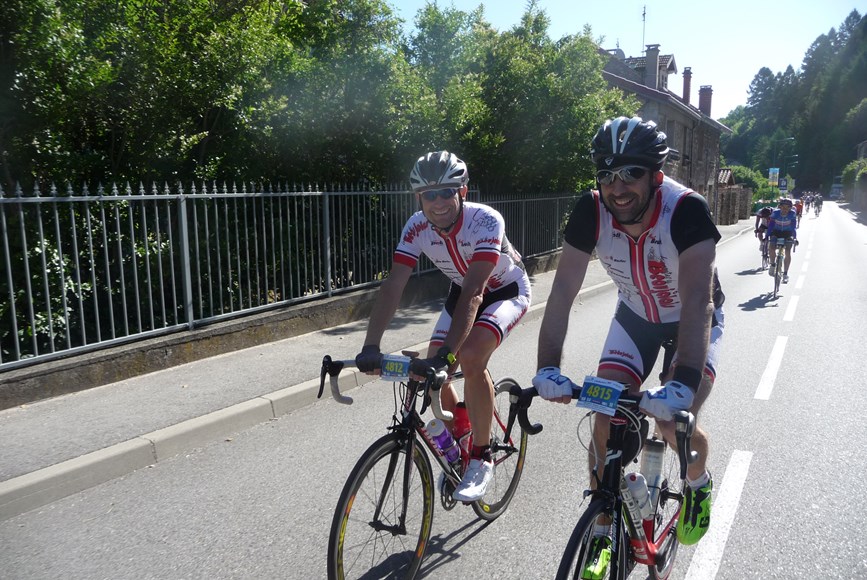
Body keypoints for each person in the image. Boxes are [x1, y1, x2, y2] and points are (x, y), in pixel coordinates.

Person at [532, 117, 723, 574]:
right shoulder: (590, 210)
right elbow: (562, 292)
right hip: (636, 318)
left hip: (692, 321)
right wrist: (547, 367)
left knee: (670, 424)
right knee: (605, 414)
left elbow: (698, 300)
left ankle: (697, 481)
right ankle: (602, 528)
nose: (617, 188)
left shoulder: (687, 210)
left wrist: (684, 382)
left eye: (631, 173)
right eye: (606, 174)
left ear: (656, 175)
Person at [354, 150, 531, 502]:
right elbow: (394, 285)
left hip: (504, 291)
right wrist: (370, 345)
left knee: (470, 356)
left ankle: (481, 456)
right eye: (429, 194)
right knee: (432, 370)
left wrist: (448, 356)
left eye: (446, 192)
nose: (437, 202)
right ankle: (463, 429)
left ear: (462, 191)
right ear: (419, 198)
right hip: (460, 292)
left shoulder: (485, 221)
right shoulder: (416, 227)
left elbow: (476, 292)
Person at [767, 198, 798, 283]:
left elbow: (793, 227)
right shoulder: (775, 213)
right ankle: (772, 264)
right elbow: (771, 225)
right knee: (771, 246)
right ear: (780, 207)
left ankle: (785, 274)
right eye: (783, 207)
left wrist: (795, 237)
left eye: (788, 207)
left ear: (790, 208)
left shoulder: (792, 214)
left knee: (788, 251)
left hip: (787, 233)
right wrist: (767, 235)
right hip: (776, 232)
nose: (785, 209)